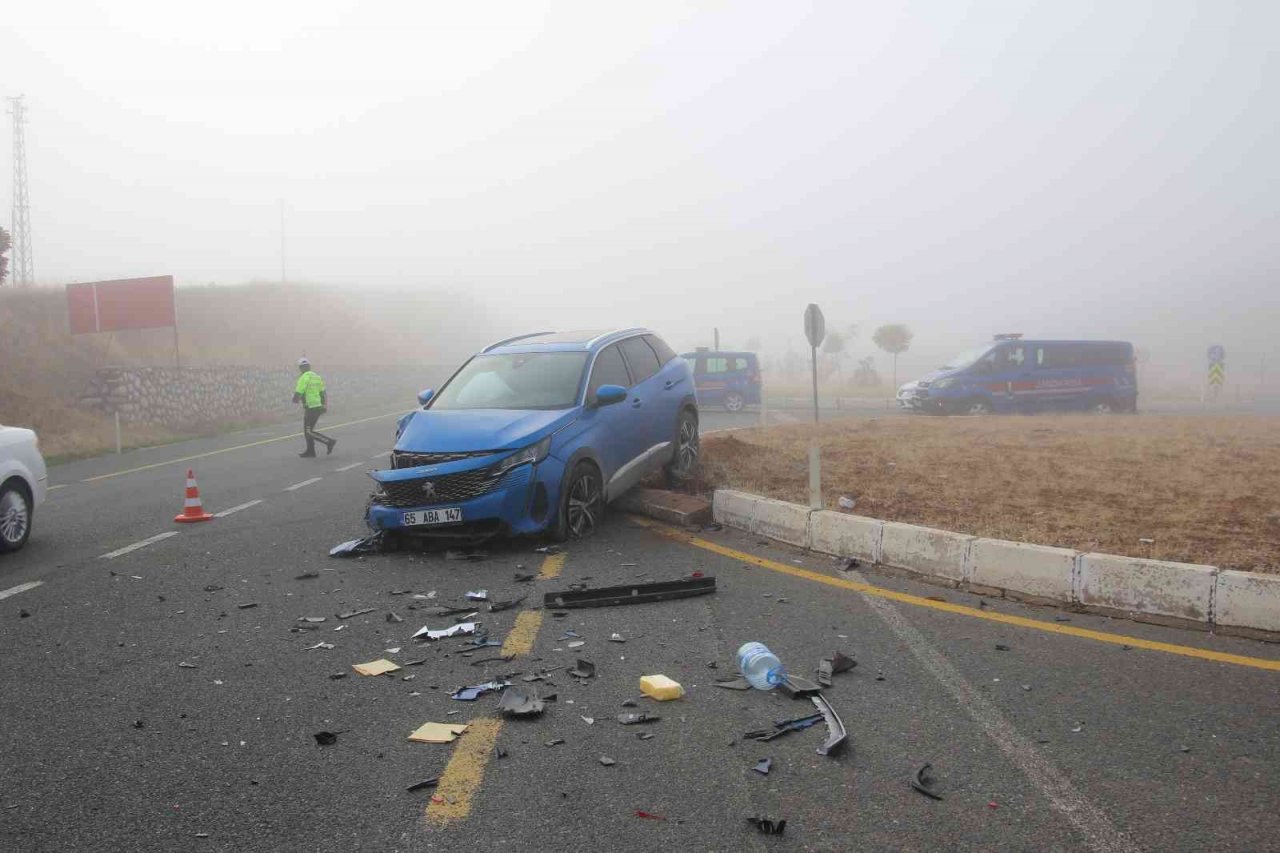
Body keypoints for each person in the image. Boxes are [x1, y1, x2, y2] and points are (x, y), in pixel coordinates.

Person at [293, 358, 336, 457]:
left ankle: (329, 442)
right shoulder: (317, 377)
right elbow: (323, 392)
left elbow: (299, 392)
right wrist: (325, 405)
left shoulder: (303, 378)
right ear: (309, 366)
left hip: (311, 408)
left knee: (308, 431)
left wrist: (295, 399)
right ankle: (310, 451)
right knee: (309, 430)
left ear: (301, 368)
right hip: (318, 406)